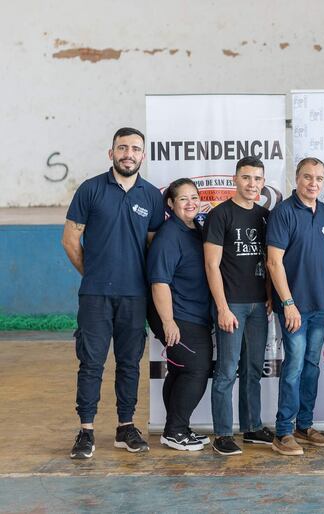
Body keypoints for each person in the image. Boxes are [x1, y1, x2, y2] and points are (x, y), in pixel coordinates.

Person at [62, 127, 164, 459]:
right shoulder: (90, 190)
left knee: (129, 363)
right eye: (123, 148)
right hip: (95, 295)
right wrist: (92, 274)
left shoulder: (151, 195)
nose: (128, 154)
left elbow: (153, 247)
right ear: (111, 153)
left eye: (135, 149)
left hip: (135, 297)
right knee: (90, 362)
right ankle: (86, 430)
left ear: (143, 156)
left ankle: (125, 427)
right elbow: (70, 240)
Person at [203, 156, 274, 456]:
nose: (252, 184)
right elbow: (211, 264)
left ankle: (252, 427)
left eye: (258, 179)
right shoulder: (221, 215)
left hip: (259, 305)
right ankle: (222, 433)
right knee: (227, 371)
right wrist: (222, 307)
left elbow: (270, 261)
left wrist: (269, 294)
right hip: (231, 304)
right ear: (235, 179)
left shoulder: (265, 215)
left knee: (253, 368)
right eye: (246, 178)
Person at [266, 157, 324, 456]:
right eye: (307, 177)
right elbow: (273, 261)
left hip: (320, 307)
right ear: (297, 178)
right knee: (293, 367)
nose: (313, 183)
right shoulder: (283, 212)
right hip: (294, 307)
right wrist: (288, 303)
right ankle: (283, 432)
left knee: (311, 367)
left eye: (319, 178)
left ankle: (304, 426)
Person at [147, 178, 212, 452]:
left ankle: (176, 428)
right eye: (183, 199)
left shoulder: (196, 228)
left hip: (194, 314)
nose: (190, 203)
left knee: (178, 370)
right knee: (196, 369)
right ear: (171, 204)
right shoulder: (169, 235)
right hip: (177, 315)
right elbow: (159, 282)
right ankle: (175, 431)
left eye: (194, 197)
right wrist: (168, 321)